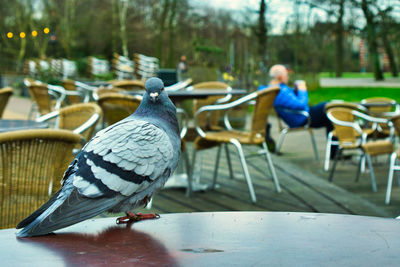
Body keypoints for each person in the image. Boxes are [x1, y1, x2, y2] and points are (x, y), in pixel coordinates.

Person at [259, 64, 336, 157]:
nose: (288, 77)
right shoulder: (279, 91)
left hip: (300, 115)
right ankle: (337, 150)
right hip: (302, 118)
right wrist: (302, 89)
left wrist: (294, 90)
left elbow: (290, 100)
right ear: (280, 77)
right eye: (286, 75)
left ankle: (335, 152)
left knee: (331, 117)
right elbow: (302, 104)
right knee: (329, 106)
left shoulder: (273, 88)